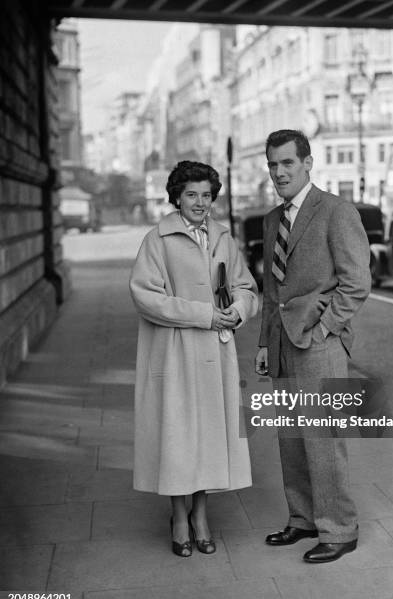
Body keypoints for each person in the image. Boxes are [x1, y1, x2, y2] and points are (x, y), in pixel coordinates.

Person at [130, 160, 258, 558]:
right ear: (177, 197)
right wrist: (203, 314)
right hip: (175, 354)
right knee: (178, 435)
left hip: (216, 355)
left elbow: (245, 286)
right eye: (191, 195)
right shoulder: (158, 239)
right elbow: (145, 296)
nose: (200, 202)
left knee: (208, 435)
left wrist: (238, 309)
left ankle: (201, 516)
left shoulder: (223, 238)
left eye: (206, 195)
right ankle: (179, 517)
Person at [255, 130, 371, 563]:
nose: (279, 172)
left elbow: (357, 283)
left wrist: (324, 330)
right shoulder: (272, 220)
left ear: (307, 163)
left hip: (319, 345)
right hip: (283, 343)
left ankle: (339, 529)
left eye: (287, 163)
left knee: (323, 439)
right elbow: (272, 289)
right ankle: (303, 519)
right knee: (290, 437)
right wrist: (266, 343)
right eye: (272, 165)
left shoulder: (336, 211)